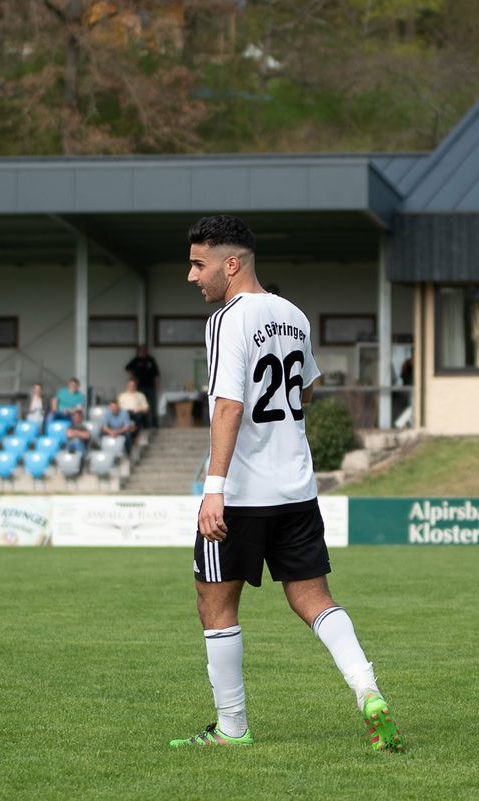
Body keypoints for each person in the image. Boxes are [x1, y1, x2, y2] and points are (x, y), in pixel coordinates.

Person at [170, 214, 404, 752]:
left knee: (215, 605)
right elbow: (308, 388)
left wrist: (213, 488)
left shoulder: (226, 319)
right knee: (314, 598)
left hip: (241, 495)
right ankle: (367, 689)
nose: (192, 276)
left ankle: (232, 729)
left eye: (199, 264)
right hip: (297, 489)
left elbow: (228, 406)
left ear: (232, 264)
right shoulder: (293, 314)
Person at [125, 345, 160, 428]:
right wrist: (133, 378)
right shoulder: (136, 360)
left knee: (152, 406)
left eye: (145, 350)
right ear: (139, 351)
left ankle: (154, 424)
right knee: (141, 406)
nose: (144, 352)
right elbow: (128, 368)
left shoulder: (151, 360)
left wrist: (156, 385)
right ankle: (144, 424)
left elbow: (156, 374)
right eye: (142, 350)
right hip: (139, 387)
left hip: (150, 386)